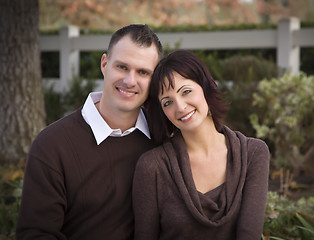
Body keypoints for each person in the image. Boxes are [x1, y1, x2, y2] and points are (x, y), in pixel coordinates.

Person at [16, 24, 163, 239]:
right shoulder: (52, 145)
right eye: (122, 67)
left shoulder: (162, 135)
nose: (130, 81)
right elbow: (36, 234)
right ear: (105, 64)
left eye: (143, 72)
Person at [132, 49, 270, 240]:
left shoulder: (253, 153)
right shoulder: (152, 167)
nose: (180, 107)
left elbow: (249, 235)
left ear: (206, 87)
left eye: (186, 92)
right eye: (167, 102)